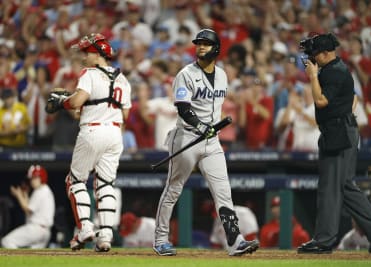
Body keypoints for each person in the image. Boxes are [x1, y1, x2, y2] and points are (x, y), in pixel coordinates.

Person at [153, 29, 259, 257]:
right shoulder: (185, 74)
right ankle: (161, 239)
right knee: (173, 190)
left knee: (223, 191)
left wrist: (208, 130)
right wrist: (201, 126)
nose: (201, 47)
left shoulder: (222, 75)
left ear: (217, 48)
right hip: (187, 137)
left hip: (212, 142)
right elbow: (183, 107)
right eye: (198, 44)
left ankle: (235, 241)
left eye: (206, 44)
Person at [297, 32, 371, 254]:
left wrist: (312, 77)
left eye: (315, 54)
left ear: (325, 53)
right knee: (344, 187)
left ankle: (324, 241)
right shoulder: (336, 69)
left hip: (339, 133)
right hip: (340, 130)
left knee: (331, 188)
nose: (312, 58)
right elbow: (353, 100)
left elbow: (321, 101)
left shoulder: (333, 72)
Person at [44, 33, 132, 252]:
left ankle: (84, 228)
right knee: (105, 184)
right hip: (114, 134)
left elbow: (77, 100)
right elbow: (126, 114)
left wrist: (65, 102)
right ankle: (105, 236)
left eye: (85, 52)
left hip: (92, 132)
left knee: (74, 181)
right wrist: (85, 111)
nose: (83, 57)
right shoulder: (122, 78)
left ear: (97, 53)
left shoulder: (89, 73)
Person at [1, 165, 55, 248]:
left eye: (34, 178)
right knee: (34, 257)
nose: (31, 181)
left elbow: (27, 209)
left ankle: (17, 260)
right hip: (45, 231)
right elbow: (29, 207)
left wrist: (18, 194)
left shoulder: (40, 191)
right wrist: (25, 194)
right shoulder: (45, 190)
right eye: (31, 178)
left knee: (6, 241)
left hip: (36, 229)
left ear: (41, 178)